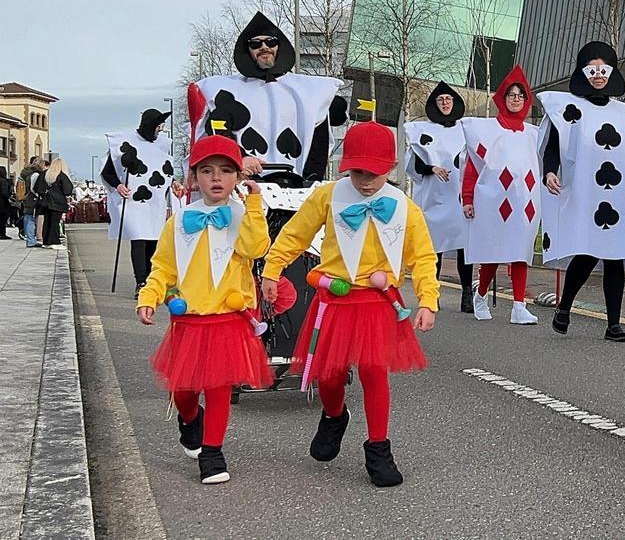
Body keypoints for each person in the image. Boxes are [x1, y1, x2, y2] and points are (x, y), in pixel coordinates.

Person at [262, 121, 437, 488]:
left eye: (374, 172)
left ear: (389, 167)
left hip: (378, 303)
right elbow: (295, 234)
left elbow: (423, 256)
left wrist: (428, 300)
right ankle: (334, 415)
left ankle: (378, 449)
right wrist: (272, 270)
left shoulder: (405, 208)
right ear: (347, 166)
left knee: (375, 373)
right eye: (358, 171)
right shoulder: (327, 196)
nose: (366, 180)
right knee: (329, 376)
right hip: (335, 300)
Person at [136, 135, 274, 485]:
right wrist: (149, 296)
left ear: (238, 177)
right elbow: (162, 268)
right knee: (183, 389)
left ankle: (213, 453)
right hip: (190, 321)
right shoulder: (179, 222)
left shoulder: (244, 216)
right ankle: (188, 418)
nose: (217, 178)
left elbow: (257, 249)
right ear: (193, 177)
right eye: (207, 171)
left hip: (229, 320)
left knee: (218, 388)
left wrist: (255, 205)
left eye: (226, 171)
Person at [540, 41, 625, 342]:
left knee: (615, 256)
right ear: (583, 71)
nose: (598, 75)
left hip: (618, 196)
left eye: (603, 69)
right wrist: (550, 172)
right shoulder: (569, 109)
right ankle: (564, 307)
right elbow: (555, 147)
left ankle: (613, 324)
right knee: (586, 253)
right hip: (585, 193)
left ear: (612, 72)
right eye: (592, 69)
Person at [188, 11, 347, 180]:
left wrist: (312, 179)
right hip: (245, 181)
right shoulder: (226, 90)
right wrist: (239, 158)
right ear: (247, 50)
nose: (264, 47)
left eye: (270, 42)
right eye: (256, 44)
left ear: (279, 46)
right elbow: (218, 133)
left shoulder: (307, 92)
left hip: (296, 184)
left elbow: (318, 138)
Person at [460, 66, 541, 325]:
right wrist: (469, 198)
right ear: (502, 99)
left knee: (521, 251)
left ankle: (519, 305)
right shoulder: (486, 130)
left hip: (525, 201)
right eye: (511, 95)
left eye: (520, 95)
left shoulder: (534, 134)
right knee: (493, 253)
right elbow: (473, 166)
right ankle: (481, 295)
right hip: (492, 200)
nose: (516, 99)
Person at [404, 81, 473, 313]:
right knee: (434, 248)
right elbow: (413, 164)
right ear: (435, 104)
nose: (445, 103)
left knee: (465, 246)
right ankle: (431, 295)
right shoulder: (421, 131)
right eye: (441, 100)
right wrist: (432, 168)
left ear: (454, 103)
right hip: (434, 197)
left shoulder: (465, 129)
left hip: (459, 197)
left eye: (449, 99)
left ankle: (467, 295)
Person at [102, 109, 173, 290]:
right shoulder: (123, 143)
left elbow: (166, 175)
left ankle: (151, 279)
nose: (160, 130)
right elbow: (108, 172)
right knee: (139, 238)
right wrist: (118, 185)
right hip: (133, 202)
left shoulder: (162, 145)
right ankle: (141, 280)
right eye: (158, 126)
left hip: (154, 203)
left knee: (153, 240)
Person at [36, 158, 73, 249]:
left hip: (45, 202)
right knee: (54, 222)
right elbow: (68, 190)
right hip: (57, 202)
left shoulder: (43, 175)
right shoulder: (61, 176)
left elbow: (37, 188)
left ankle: (46, 241)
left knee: (47, 222)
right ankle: (54, 242)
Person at [19, 157, 43, 248]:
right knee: (31, 219)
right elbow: (33, 188)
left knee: (28, 218)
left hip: (27, 198)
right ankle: (31, 240)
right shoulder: (35, 175)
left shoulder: (27, 173)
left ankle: (30, 239)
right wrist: (38, 195)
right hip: (32, 199)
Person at [0, 168, 11, 239]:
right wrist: (9, 197)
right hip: (2, 203)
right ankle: (2, 234)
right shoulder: (3, 181)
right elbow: (4, 193)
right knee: (2, 219)